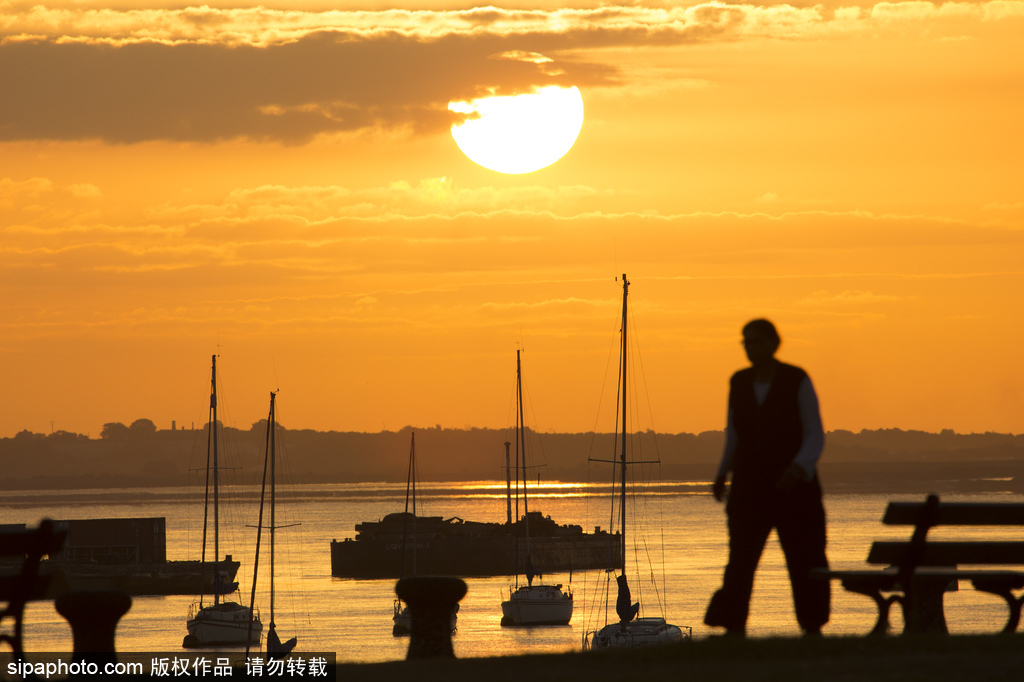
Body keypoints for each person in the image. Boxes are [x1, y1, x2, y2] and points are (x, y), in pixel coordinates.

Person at [704, 319, 830, 637]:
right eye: (746, 341)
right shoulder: (739, 382)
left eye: (757, 341)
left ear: (775, 344)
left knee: (805, 559)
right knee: (740, 562)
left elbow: (814, 434)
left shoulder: (797, 379)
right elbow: (734, 435)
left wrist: (799, 468)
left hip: (795, 491)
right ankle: (734, 627)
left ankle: (812, 626)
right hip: (749, 488)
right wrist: (722, 473)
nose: (751, 347)